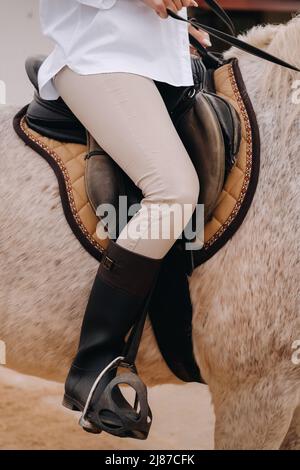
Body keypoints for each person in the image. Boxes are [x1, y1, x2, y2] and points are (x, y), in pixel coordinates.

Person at [37, 0, 211, 437]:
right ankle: (93, 365)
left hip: (156, 63)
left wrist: (173, 33)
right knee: (173, 191)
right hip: (96, 56)